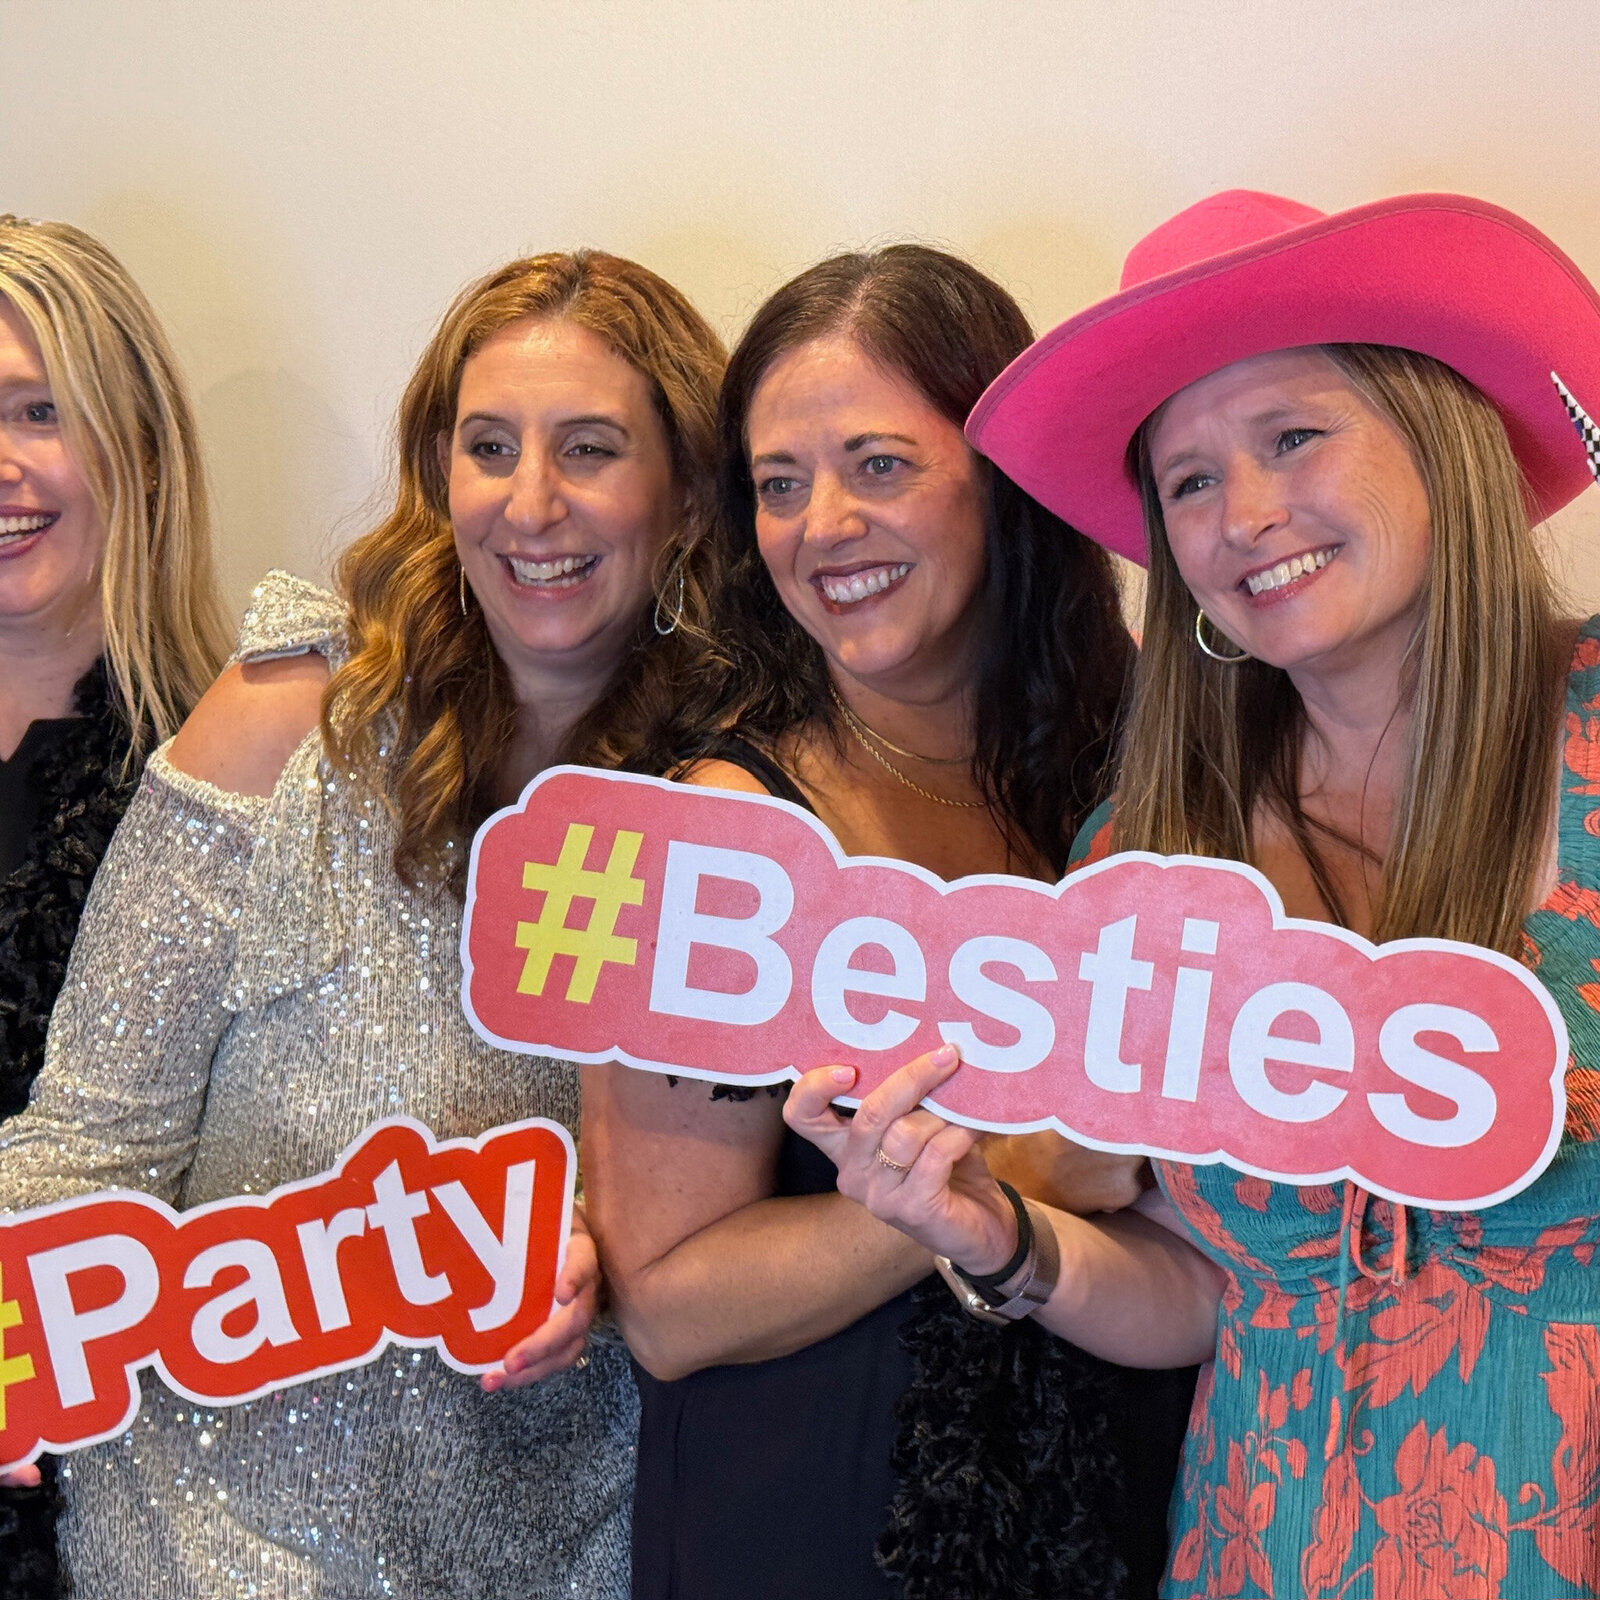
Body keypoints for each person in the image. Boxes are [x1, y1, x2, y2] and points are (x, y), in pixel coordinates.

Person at [783, 189, 1600, 1597]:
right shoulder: (1151, 856)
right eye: (1190, 482)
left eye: (1293, 437)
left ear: (1438, 433)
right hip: (1256, 1554)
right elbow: (1217, 1288)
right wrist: (996, 1237)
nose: (1248, 516)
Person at [0, 248, 727, 1597]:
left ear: (686, 493)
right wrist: (15, 1342)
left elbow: (718, 1236)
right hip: (204, 1549)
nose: (531, 502)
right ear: (438, 478)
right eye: (488, 447)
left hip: (568, 1550)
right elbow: (88, 1137)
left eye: (589, 448)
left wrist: (607, 1268)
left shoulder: (738, 800)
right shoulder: (291, 720)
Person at [585, 244, 1195, 1600]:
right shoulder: (722, 834)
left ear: (1005, 476)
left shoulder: (1142, 760)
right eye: (778, 485)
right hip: (820, 1520)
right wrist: (1005, 1178)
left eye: (878, 465)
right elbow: (670, 1307)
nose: (822, 527)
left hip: (1113, 1502)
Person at [0, 214, 231, 1600]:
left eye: (42, 413)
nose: (4, 464)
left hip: (130, 1510)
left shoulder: (240, 776)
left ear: (137, 446)